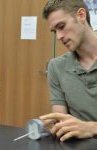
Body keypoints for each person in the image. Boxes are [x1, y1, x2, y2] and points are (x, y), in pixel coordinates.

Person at [39, 0, 97, 142]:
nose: (59, 37)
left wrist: (91, 128)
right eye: (54, 31)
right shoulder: (56, 67)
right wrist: (52, 125)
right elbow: (62, 123)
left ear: (81, 15)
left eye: (62, 26)